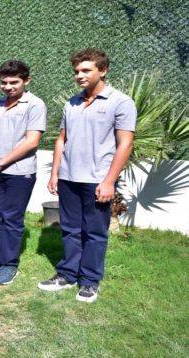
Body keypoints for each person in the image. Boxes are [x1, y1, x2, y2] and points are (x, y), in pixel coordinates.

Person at [38, 48, 136, 303]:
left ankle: (90, 282)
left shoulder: (120, 102)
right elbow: (62, 140)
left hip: (97, 180)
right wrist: (56, 173)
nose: (79, 76)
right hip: (69, 178)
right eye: (76, 72)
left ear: (102, 70)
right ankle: (67, 274)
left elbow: (125, 144)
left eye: (85, 70)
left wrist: (109, 181)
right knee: (70, 229)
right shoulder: (72, 102)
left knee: (94, 232)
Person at [0, 60, 47, 285]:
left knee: (11, 218)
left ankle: (9, 264)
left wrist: (0, 164)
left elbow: (32, 142)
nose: (8, 87)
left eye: (14, 82)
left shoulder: (35, 105)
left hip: (20, 173)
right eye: (4, 82)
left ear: (26, 81)